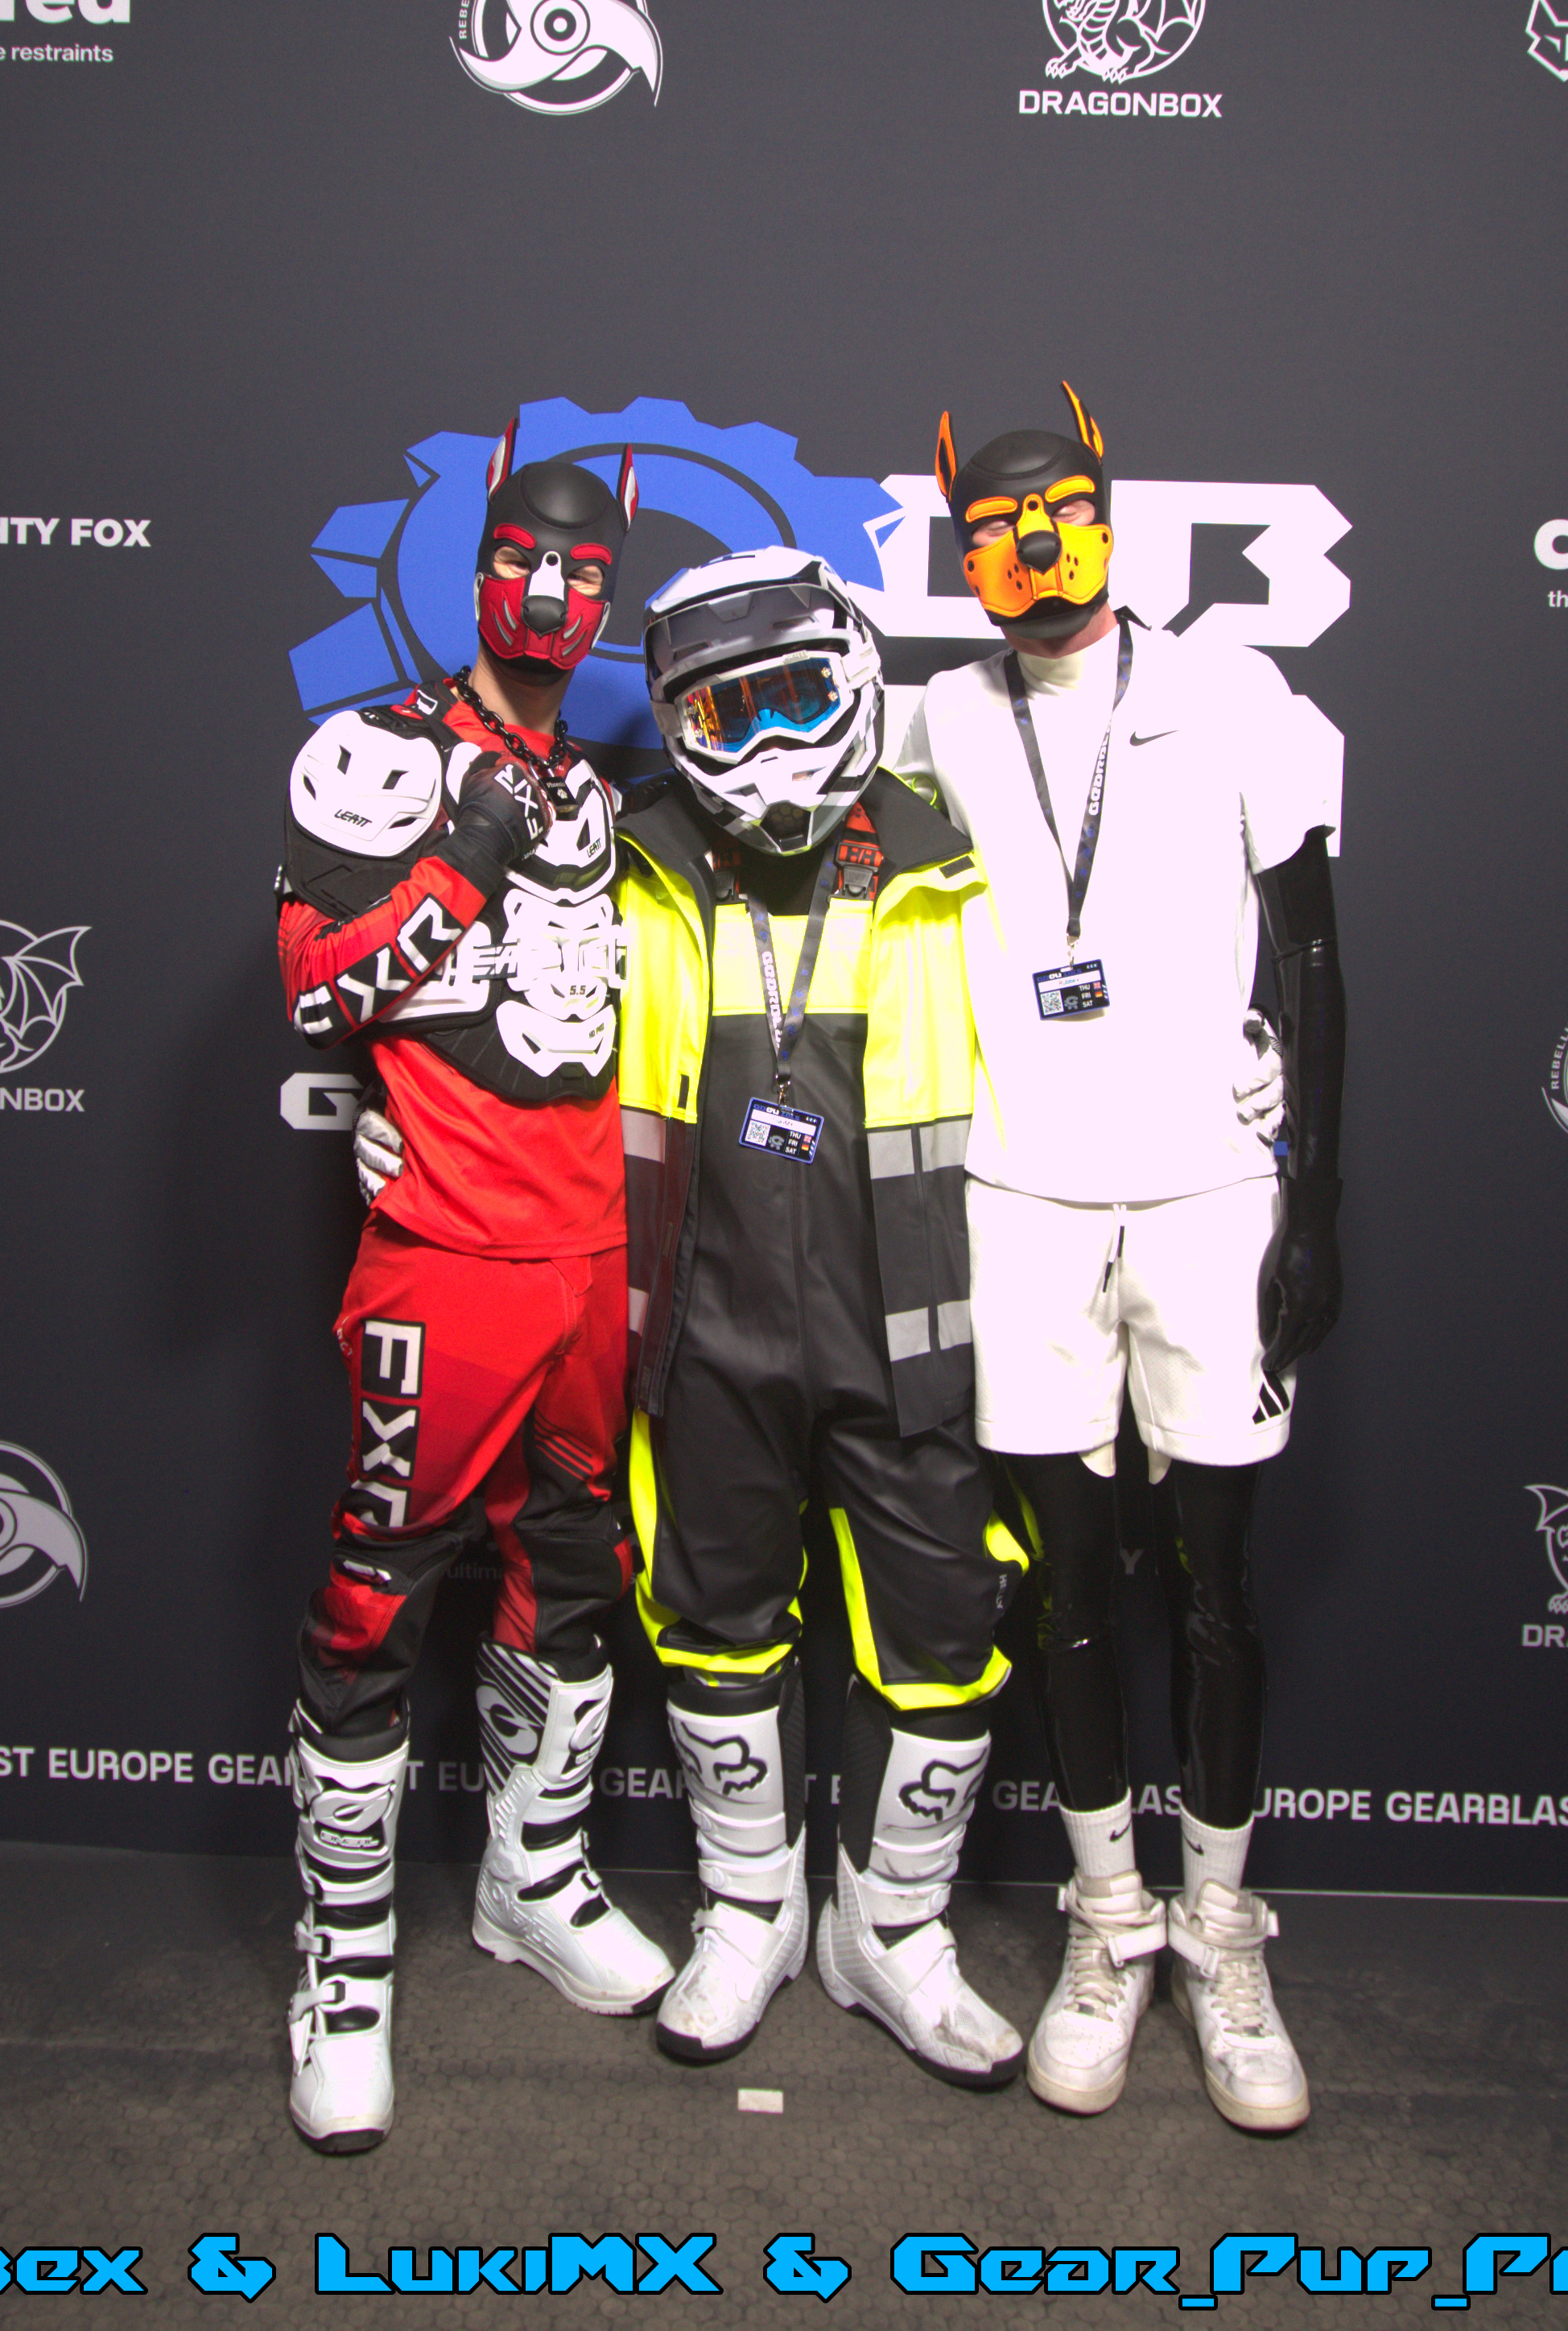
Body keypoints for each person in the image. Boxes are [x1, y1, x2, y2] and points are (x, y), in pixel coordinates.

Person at [889, 384, 1345, 2134]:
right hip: (1020, 1200)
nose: (1031, 549)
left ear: (1111, 509)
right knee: (1067, 1591)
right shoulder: (939, 714)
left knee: (1217, 1584)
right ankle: (1108, 1919)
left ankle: (1222, 1928)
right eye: (991, 530)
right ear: (962, 554)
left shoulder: (1233, 694)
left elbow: (1316, 956)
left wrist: (1317, 1197)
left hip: (1211, 1195)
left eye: (1059, 512)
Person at [270, 420, 671, 2151]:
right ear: (476, 565)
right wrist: (464, 857)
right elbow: (314, 992)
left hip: (588, 1254)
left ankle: (534, 1875)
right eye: (523, 558)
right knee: (378, 1599)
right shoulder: (381, 751)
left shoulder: (605, 786)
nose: (553, 592)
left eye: (587, 570)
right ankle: (344, 1968)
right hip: (442, 1257)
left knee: (573, 1571)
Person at [616, 548, 1026, 2085]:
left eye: (796, 695)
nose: (770, 738)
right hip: (705, 1312)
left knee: (943, 1628)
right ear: (676, 727)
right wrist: (404, 1103)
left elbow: (1091, 1011)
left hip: (912, 1314)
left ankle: (894, 1932)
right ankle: (750, 1911)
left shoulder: (957, 848)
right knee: (712, 1611)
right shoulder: (627, 854)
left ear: (855, 675)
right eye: (727, 714)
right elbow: (509, 1016)